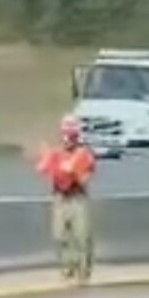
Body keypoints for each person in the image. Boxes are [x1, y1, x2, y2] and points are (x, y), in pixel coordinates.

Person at [38, 117, 98, 283]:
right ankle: (68, 265)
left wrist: (75, 172)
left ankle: (83, 269)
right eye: (65, 135)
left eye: (71, 136)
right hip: (60, 198)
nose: (67, 140)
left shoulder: (83, 154)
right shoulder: (56, 153)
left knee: (81, 234)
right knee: (60, 234)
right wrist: (52, 165)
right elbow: (44, 169)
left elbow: (86, 177)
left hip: (77, 197)